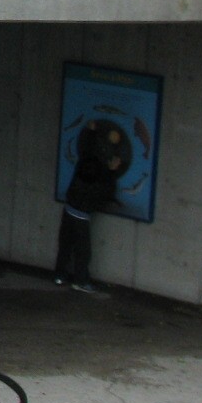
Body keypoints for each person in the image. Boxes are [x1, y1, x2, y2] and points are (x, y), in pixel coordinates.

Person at [54, 120, 123, 291]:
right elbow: (109, 192)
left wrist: (90, 132)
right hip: (82, 217)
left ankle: (60, 276)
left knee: (65, 246)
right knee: (83, 251)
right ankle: (80, 281)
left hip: (68, 210)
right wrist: (112, 170)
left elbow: (86, 150)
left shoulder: (82, 166)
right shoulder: (100, 181)